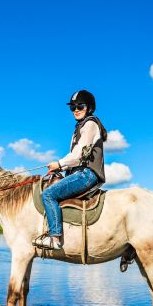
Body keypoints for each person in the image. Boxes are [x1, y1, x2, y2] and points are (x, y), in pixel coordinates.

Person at [33, 90, 107, 250]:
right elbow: (74, 158)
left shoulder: (90, 124)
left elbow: (78, 155)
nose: (76, 110)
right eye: (72, 107)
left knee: (48, 194)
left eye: (80, 106)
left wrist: (59, 164)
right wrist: (60, 167)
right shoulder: (80, 127)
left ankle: (55, 238)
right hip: (79, 172)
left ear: (89, 107)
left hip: (86, 174)